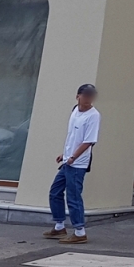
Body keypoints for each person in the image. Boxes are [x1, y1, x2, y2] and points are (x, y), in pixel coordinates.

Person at [45, 84, 100, 244]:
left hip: (77, 164)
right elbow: (73, 136)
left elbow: (88, 141)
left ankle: (80, 231)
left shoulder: (93, 116)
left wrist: (73, 157)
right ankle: (59, 226)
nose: (88, 99)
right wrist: (65, 154)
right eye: (86, 95)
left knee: (73, 196)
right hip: (68, 160)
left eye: (91, 96)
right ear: (78, 96)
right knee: (55, 192)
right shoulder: (75, 110)